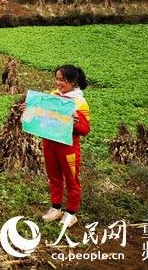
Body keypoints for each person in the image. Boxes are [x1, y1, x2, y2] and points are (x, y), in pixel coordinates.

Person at [41, 64, 90, 229]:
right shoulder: (53, 95)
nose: (58, 83)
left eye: (62, 80)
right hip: (49, 143)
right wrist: (31, 110)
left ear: (73, 81)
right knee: (53, 177)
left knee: (71, 180)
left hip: (68, 147)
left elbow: (84, 129)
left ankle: (71, 213)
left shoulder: (79, 102)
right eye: (57, 79)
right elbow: (43, 115)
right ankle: (55, 208)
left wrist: (76, 123)